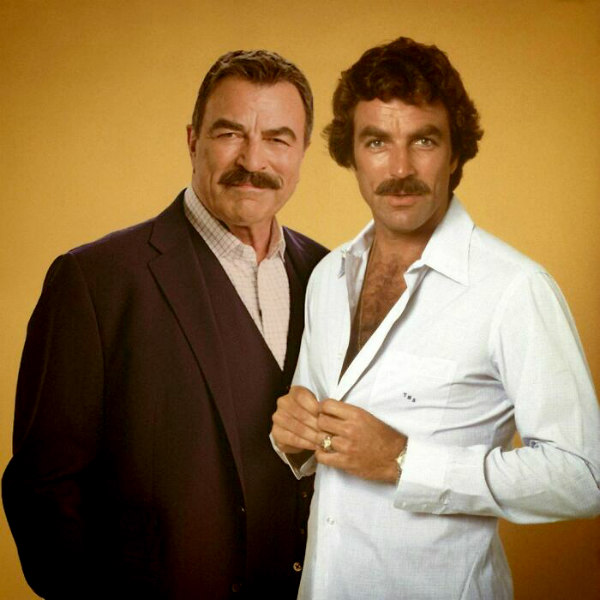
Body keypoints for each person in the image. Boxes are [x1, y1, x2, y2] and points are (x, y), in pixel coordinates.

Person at [271, 36, 600, 599]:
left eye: (423, 140)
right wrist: (295, 437)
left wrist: (404, 461)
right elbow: (316, 431)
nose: (400, 168)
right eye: (377, 141)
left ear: (454, 153)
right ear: (351, 154)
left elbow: (583, 475)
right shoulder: (327, 275)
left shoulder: (514, 288)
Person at [3, 49, 327, 599]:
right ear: (192, 140)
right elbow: (42, 490)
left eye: (278, 138)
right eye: (230, 133)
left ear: (301, 152)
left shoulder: (330, 278)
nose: (253, 159)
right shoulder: (95, 281)